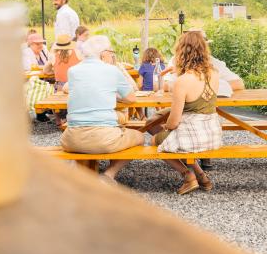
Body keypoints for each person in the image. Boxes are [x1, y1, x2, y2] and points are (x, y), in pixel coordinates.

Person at [61, 35, 144, 183]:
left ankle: (83, 173)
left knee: (113, 122)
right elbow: (132, 98)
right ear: (103, 54)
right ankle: (108, 175)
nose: (112, 56)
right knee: (140, 137)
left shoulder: (73, 71)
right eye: (111, 53)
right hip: (103, 139)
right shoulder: (111, 71)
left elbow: (67, 88)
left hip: (71, 139)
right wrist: (116, 96)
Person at [151, 31, 220, 195]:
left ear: (181, 52)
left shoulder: (182, 81)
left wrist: (165, 127)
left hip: (192, 136)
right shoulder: (214, 74)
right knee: (171, 137)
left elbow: (174, 123)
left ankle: (188, 175)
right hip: (212, 134)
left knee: (156, 142)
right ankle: (201, 175)